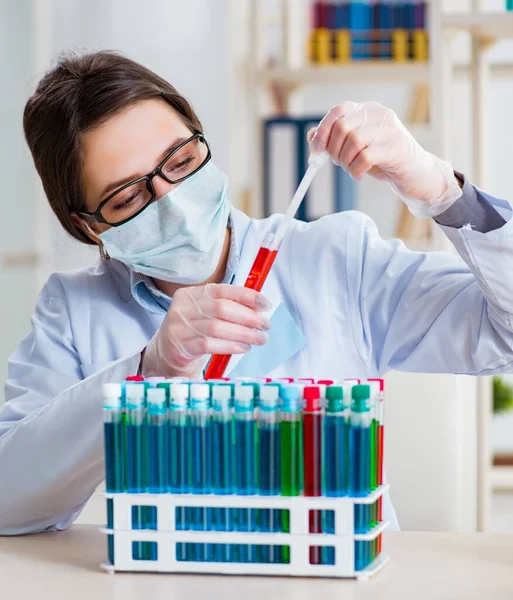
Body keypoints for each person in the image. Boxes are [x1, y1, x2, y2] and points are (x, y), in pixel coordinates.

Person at [1, 50, 512, 536]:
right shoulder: (74, 310)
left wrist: (444, 192)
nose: (173, 203)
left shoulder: (337, 258)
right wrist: (145, 373)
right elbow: (8, 498)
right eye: (128, 196)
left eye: (180, 161)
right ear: (88, 227)